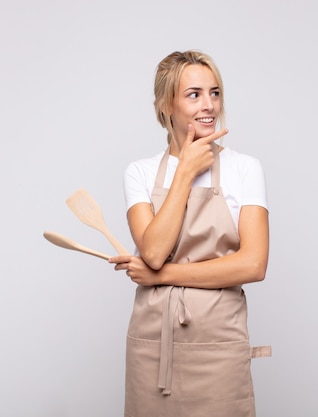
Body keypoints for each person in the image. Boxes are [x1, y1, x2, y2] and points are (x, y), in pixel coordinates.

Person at [108, 50, 270, 417]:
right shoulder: (140, 173)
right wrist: (184, 171)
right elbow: (152, 250)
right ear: (168, 105)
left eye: (214, 93)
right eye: (194, 94)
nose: (209, 105)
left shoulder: (245, 168)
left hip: (218, 348)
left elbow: (254, 264)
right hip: (153, 348)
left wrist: (163, 276)